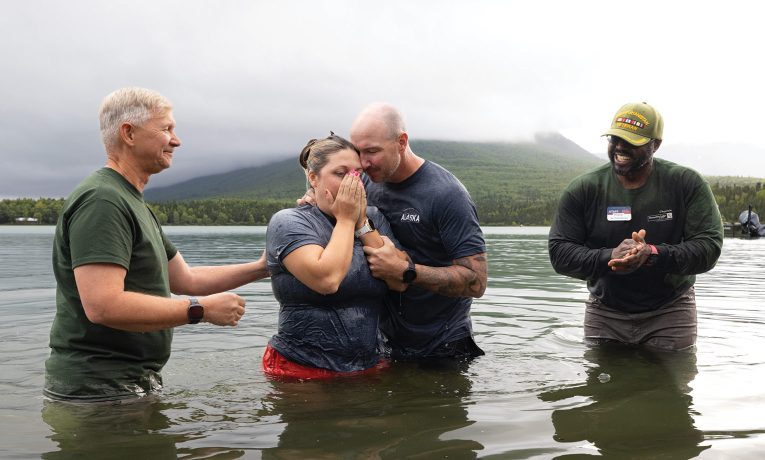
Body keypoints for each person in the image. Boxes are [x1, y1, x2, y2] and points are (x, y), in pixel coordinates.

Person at [45, 87, 269, 402]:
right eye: (166, 129)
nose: (176, 141)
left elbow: (186, 279)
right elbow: (102, 305)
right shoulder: (103, 200)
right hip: (97, 390)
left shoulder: (131, 200)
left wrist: (263, 267)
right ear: (129, 133)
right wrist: (200, 310)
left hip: (125, 386)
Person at [548, 102, 723, 351]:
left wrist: (652, 254)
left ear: (656, 144)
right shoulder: (584, 189)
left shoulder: (686, 184)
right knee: (601, 388)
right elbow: (559, 253)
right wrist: (610, 256)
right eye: (615, 138)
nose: (620, 146)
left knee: (670, 389)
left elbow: (708, 248)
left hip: (671, 310)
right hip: (605, 311)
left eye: (631, 141)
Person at [350, 103, 488, 363]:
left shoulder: (447, 194)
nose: (363, 162)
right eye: (357, 151)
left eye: (372, 151)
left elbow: (477, 282)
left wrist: (406, 271)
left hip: (443, 346)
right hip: (384, 342)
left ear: (401, 142)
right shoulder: (366, 182)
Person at [263, 133, 399, 378]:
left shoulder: (374, 218)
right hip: (302, 367)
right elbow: (326, 280)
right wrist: (347, 219)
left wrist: (362, 224)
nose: (352, 183)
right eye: (340, 174)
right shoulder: (289, 222)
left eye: (357, 174)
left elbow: (400, 280)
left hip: (369, 364)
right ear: (313, 178)